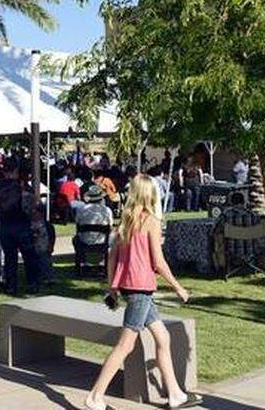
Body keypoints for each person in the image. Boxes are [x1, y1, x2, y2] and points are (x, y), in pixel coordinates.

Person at [84, 175, 195, 410]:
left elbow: (111, 256)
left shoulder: (126, 220)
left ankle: (175, 394)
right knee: (125, 345)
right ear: (150, 194)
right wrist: (179, 288)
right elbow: (159, 262)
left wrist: (112, 287)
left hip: (130, 288)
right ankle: (95, 397)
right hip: (140, 290)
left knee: (163, 337)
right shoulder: (151, 222)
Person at [0, 163, 40, 296]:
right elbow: (30, 207)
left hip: (4, 225)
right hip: (21, 224)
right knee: (29, 256)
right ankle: (32, 283)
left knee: (10, 257)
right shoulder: (20, 188)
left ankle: (11, 285)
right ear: (16, 172)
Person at [73, 188, 113, 265]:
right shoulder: (107, 210)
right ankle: (105, 262)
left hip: (84, 241)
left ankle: (82, 261)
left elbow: (77, 224)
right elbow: (110, 227)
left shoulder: (81, 209)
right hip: (102, 241)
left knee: (75, 239)